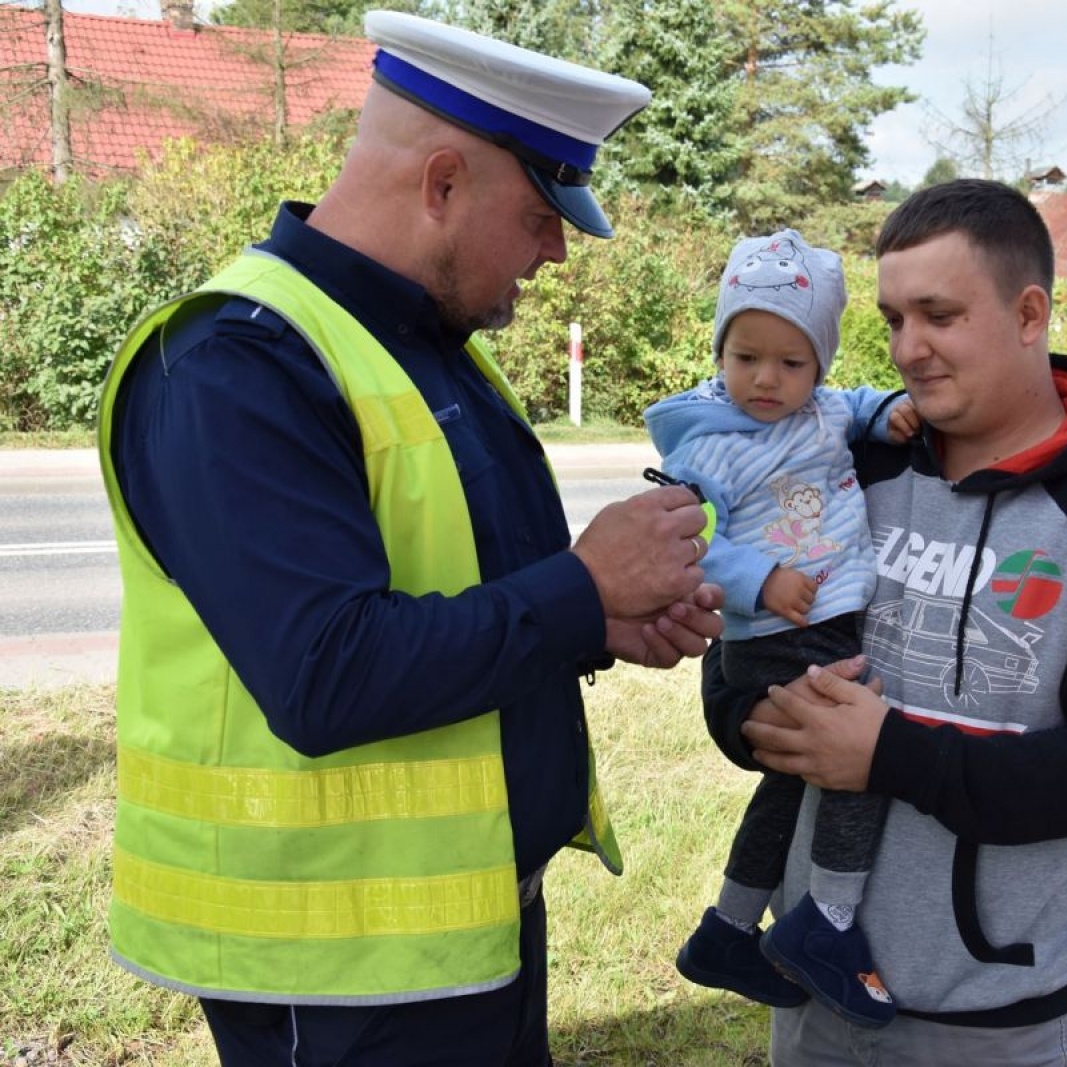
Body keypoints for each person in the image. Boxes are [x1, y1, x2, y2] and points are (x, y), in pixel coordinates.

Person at [95, 12, 723, 1066]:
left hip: (463, 937)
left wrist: (602, 617)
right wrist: (581, 588)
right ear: (442, 184)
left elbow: (463, 595)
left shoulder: (426, 344)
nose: (556, 249)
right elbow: (326, 671)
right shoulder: (235, 366)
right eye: (541, 214)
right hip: (331, 976)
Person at [702, 178, 1067, 1066]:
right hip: (814, 1005)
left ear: (1029, 313)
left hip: (1004, 1028)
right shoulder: (846, 466)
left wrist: (890, 753)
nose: (909, 347)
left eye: (939, 315)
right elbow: (738, 654)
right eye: (894, 319)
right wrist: (749, 717)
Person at [644, 229, 919, 1028]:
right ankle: (827, 921)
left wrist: (893, 412)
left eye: (791, 362)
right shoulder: (717, 447)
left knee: (794, 777)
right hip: (778, 633)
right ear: (720, 352)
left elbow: (863, 404)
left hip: (817, 625)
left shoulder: (828, 410)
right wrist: (759, 577)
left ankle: (730, 926)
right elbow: (689, 535)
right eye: (745, 357)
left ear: (820, 365)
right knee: (861, 754)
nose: (765, 379)